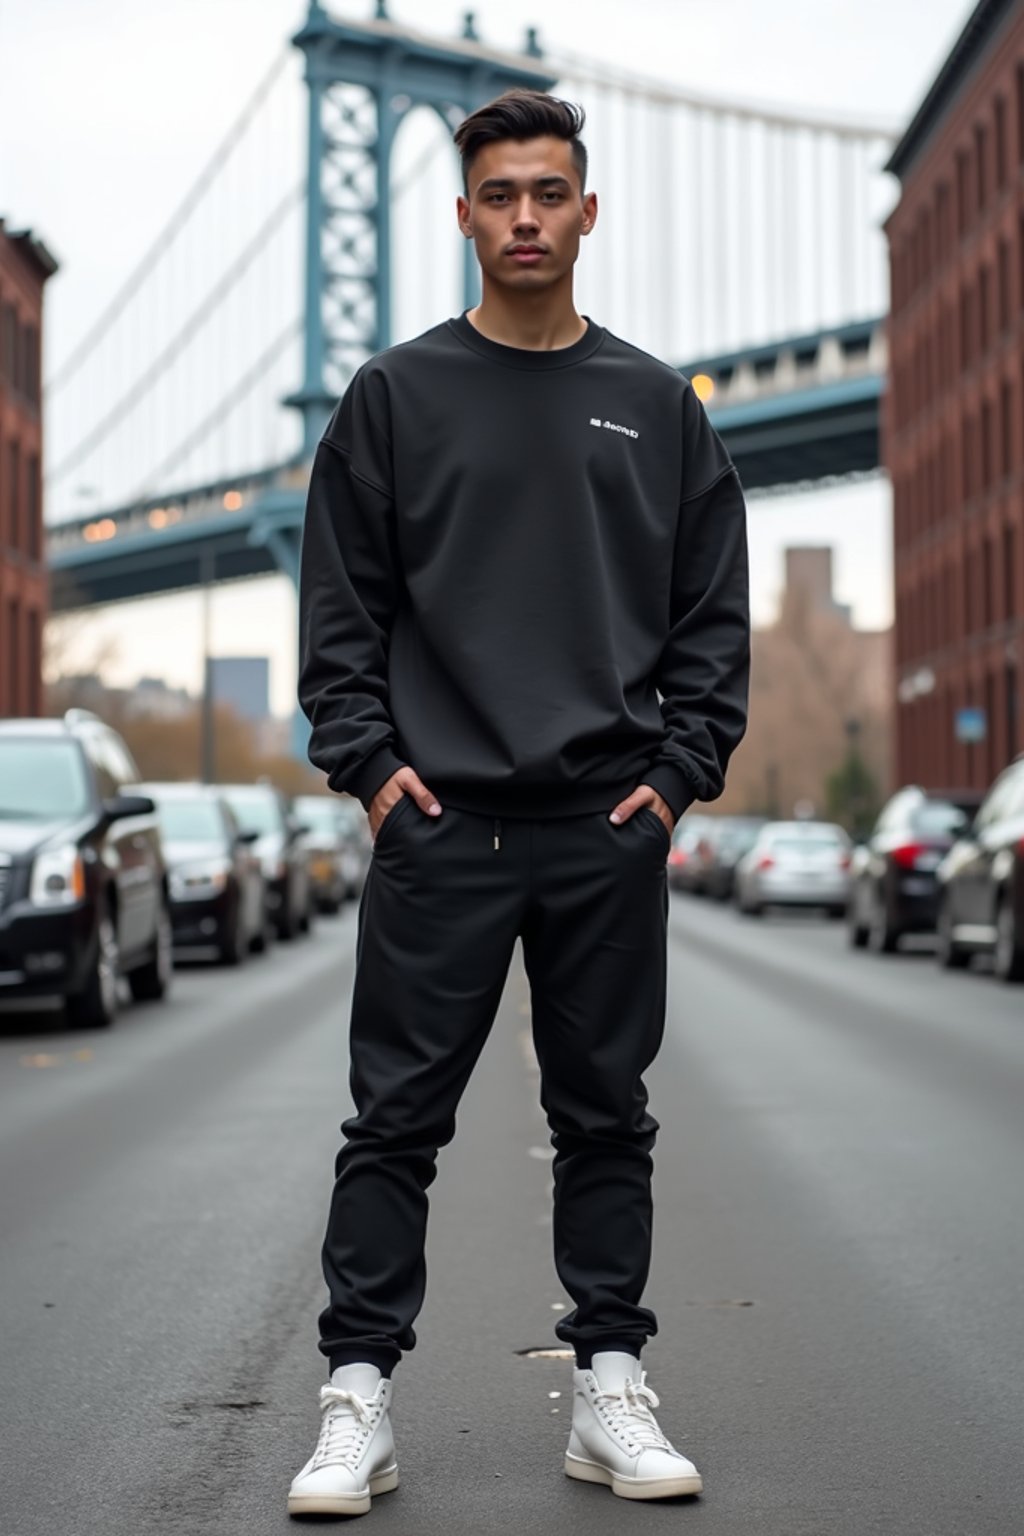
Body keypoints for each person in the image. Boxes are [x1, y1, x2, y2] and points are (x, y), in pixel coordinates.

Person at [289, 89, 749, 1518]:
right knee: (394, 1125)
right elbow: (339, 619)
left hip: (606, 830)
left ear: (588, 211)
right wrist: (373, 772)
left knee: (606, 1115)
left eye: (551, 193)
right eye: (501, 195)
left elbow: (713, 624)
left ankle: (608, 1386)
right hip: (443, 831)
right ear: (466, 213)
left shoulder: (663, 408)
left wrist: (677, 778)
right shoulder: (392, 398)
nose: (528, 218)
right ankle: (355, 1404)